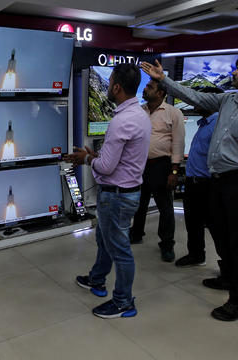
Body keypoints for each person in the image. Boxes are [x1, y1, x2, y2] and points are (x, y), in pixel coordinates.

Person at [141, 54, 238, 321]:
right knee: (221, 235)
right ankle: (228, 277)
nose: (234, 72)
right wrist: (164, 80)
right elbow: (194, 97)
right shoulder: (228, 99)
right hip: (217, 181)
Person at [64, 63, 151, 319]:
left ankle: (123, 301)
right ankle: (97, 279)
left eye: (111, 80)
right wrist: (97, 156)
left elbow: (106, 166)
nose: (109, 86)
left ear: (116, 87)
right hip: (126, 192)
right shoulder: (140, 115)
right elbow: (120, 159)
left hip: (116, 196)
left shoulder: (120, 121)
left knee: (119, 249)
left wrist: (87, 159)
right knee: (105, 239)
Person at [130, 80, 185, 263]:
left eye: (149, 87)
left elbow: (178, 143)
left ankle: (167, 244)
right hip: (139, 165)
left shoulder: (173, 113)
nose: (144, 89)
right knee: (139, 202)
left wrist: (175, 171)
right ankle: (136, 233)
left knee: (165, 208)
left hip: (162, 166)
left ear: (161, 93)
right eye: (145, 87)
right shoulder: (139, 110)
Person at [175, 87, 224, 268]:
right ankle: (196, 255)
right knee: (193, 223)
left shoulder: (218, 124)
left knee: (216, 227)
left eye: (202, 99)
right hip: (193, 183)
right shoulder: (205, 123)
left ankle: (228, 269)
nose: (196, 102)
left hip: (208, 184)